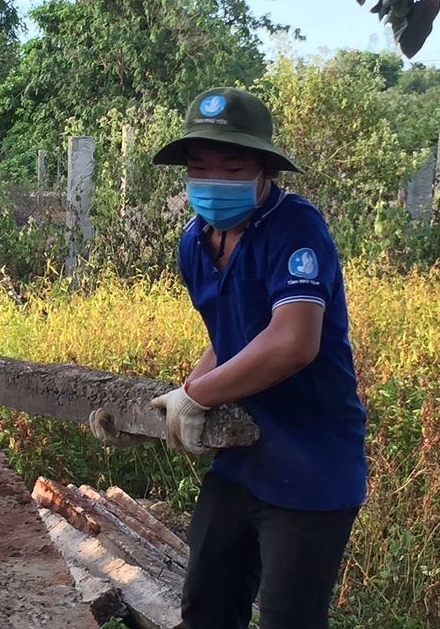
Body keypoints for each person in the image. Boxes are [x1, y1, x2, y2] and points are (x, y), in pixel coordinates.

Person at [89, 87, 366, 629]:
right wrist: (162, 412)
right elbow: (230, 334)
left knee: (289, 617)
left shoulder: (295, 229)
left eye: (232, 167)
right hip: (242, 453)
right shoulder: (195, 242)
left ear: (265, 169)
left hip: (312, 458)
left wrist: (196, 396)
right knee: (207, 602)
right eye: (199, 167)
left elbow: (292, 342)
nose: (213, 180)